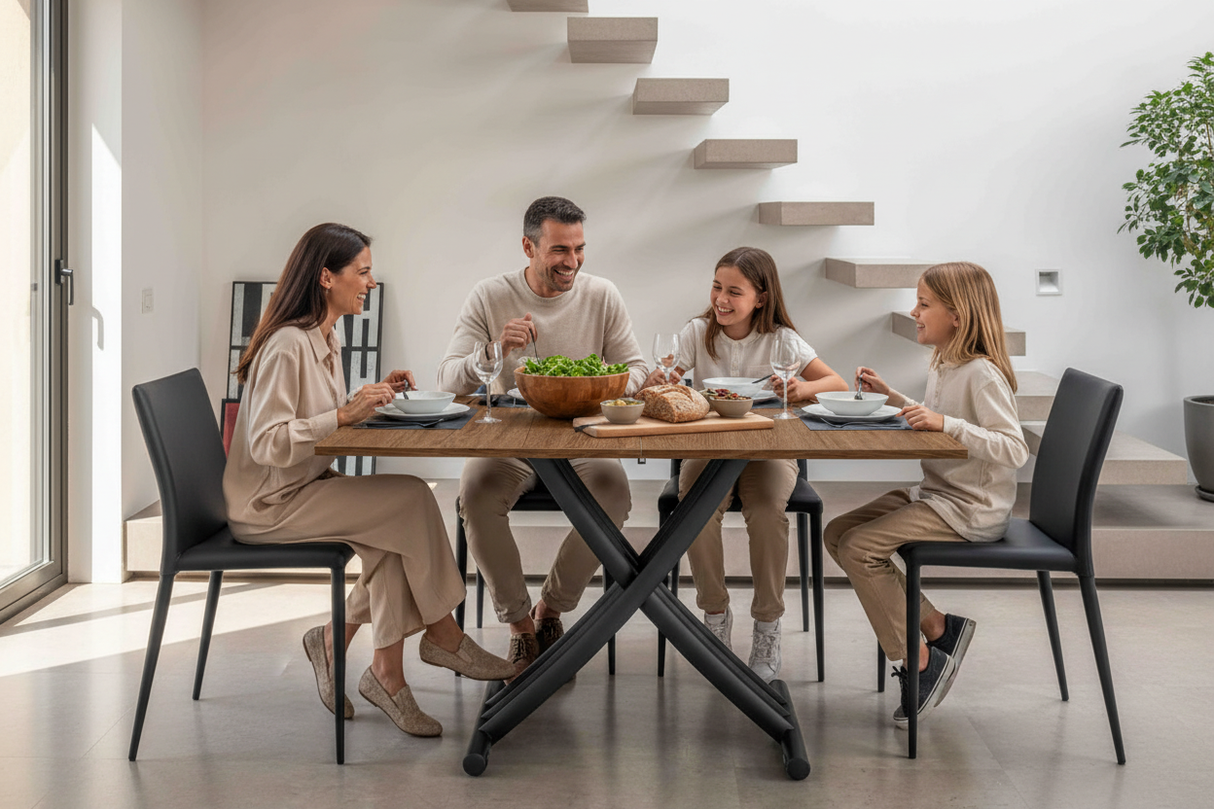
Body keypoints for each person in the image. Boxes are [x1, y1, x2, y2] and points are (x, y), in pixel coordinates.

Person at [223, 223, 515, 739]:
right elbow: (265, 442)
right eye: (362, 272)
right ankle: (439, 638)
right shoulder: (288, 344)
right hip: (269, 504)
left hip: (305, 485)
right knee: (407, 501)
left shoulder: (324, 336)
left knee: (397, 529)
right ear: (325, 277)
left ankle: (372, 664)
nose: (371, 283)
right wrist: (342, 415)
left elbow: (313, 412)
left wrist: (368, 396)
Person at [437, 196, 647, 675]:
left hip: (582, 436)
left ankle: (549, 609)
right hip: (512, 440)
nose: (571, 262)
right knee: (475, 494)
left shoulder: (602, 294)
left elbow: (637, 367)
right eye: (559, 250)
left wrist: (603, 385)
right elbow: (449, 379)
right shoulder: (489, 295)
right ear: (528, 247)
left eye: (578, 249)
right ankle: (519, 627)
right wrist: (491, 353)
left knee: (615, 493)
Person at [825, 261, 1029, 726]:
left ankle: (919, 660)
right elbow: (938, 418)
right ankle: (938, 626)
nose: (913, 311)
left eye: (923, 303)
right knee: (838, 532)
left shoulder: (982, 374)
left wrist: (946, 425)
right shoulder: (944, 362)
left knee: (860, 549)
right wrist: (893, 397)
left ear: (957, 315)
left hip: (969, 508)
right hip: (937, 493)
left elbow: (1014, 448)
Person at [645, 246, 848, 682]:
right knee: (694, 510)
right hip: (708, 442)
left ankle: (767, 625)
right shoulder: (697, 332)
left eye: (734, 291)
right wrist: (659, 378)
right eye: (717, 287)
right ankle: (715, 617)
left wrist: (797, 387)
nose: (721, 298)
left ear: (760, 296)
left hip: (769, 445)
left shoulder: (781, 339)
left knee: (767, 510)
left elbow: (836, 382)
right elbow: (659, 377)